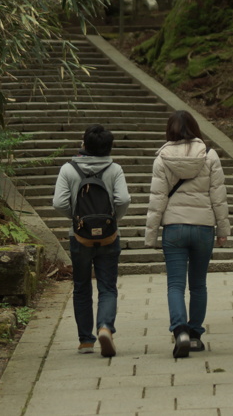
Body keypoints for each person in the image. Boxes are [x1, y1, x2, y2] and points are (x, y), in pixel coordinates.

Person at [144, 110, 230, 358]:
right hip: (203, 228)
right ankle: (194, 335)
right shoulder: (210, 156)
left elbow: (157, 200)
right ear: (194, 127)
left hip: (174, 229)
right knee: (199, 284)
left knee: (175, 285)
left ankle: (179, 330)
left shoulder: (162, 159)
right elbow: (218, 197)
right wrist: (223, 230)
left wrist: (150, 236)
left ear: (169, 130)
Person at [53, 124, 131, 357]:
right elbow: (124, 199)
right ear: (109, 147)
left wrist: (76, 219)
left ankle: (86, 340)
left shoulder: (68, 169)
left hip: (79, 237)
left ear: (84, 145)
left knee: (81, 287)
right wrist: (112, 219)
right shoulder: (114, 169)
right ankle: (105, 327)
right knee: (107, 287)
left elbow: (58, 202)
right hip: (109, 236)